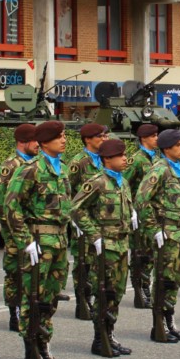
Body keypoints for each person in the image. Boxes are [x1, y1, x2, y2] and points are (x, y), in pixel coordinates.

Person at [3, 120, 73, 359]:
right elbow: (11, 206)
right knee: (32, 298)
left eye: (64, 135)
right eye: (58, 136)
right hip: (38, 244)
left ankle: (45, 348)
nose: (64, 140)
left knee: (49, 300)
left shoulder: (62, 168)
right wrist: (24, 241)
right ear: (44, 142)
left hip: (59, 243)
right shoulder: (30, 170)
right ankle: (31, 351)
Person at [70, 137, 134, 357]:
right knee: (103, 292)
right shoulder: (97, 182)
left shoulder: (122, 182)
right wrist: (94, 234)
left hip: (122, 245)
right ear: (107, 159)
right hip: (104, 247)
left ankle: (110, 333)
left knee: (117, 292)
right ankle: (100, 338)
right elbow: (77, 208)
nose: (125, 159)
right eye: (121, 156)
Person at [137, 129, 180, 343]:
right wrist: (153, 229)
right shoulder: (160, 169)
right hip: (167, 232)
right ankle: (159, 324)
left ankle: (170, 322)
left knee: (176, 279)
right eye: (179, 145)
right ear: (167, 148)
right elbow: (141, 199)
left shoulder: (177, 168)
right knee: (163, 279)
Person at [0, 123, 39, 332]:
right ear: (23, 142)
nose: (38, 145)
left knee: (30, 270)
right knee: (14, 270)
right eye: (35, 141)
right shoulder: (10, 166)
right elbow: (1, 200)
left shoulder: (37, 165)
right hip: (14, 228)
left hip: (33, 227)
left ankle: (27, 309)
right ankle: (13, 311)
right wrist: (9, 226)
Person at [67, 123, 108, 320]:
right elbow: (68, 189)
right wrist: (73, 218)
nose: (104, 139)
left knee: (97, 262)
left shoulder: (104, 160)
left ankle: (93, 297)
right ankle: (82, 302)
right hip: (83, 220)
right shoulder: (80, 162)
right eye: (100, 136)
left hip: (101, 221)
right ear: (88, 139)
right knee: (83, 262)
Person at [124, 123, 159, 309]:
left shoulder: (156, 159)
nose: (157, 139)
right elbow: (124, 184)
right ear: (144, 138)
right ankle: (140, 290)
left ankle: (147, 286)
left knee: (150, 253)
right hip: (139, 214)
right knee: (140, 254)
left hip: (153, 213)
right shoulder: (136, 160)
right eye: (153, 136)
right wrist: (131, 211)